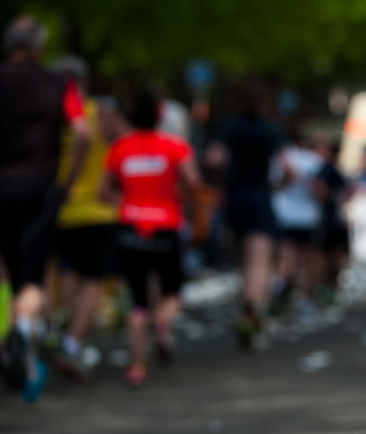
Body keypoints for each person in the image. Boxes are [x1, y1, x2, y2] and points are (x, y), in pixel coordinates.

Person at [0, 16, 90, 401]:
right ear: (39, 49)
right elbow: (82, 132)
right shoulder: (58, 84)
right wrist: (67, 182)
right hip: (40, 188)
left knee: (4, 270)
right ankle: (21, 334)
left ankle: (9, 343)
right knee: (32, 279)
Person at [102, 92, 200, 387]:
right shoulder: (174, 147)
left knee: (137, 301)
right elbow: (194, 182)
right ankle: (162, 320)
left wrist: (125, 201)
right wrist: (185, 206)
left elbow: (103, 192)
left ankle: (137, 367)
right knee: (174, 294)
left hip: (129, 228)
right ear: (159, 116)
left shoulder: (120, 148)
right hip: (166, 226)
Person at [50, 58, 121, 379]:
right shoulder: (100, 116)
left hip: (56, 211)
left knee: (66, 274)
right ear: (85, 81)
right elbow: (132, 146)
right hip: (96, 210)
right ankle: (72, 345)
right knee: (92, 280)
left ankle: (58, 327)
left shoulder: (45, 117)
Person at [209, 78, 284, 348]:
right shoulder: (270, 129)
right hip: (260, 196)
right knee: (259, 258)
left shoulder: (229, 126)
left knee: (242, 257)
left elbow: (214, 158)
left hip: (235, 196)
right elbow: (286, 167)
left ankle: (246, 302)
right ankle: (254, 306)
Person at [270, 138, 325, 319]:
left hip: (286, 216)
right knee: (306, 263)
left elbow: (276, 184)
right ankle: (304, 301)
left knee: (286, 259)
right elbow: (319, 191)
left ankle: (279, 292)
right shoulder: (315, 160)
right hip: (308, 217)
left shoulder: (284, 157)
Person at [309, 134, 349, 305]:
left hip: (331, 220)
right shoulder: (320, 169)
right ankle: (323, 289)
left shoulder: (328, 170)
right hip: (323, 221)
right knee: (322, 258)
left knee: (333, 257)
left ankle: (329, 289)